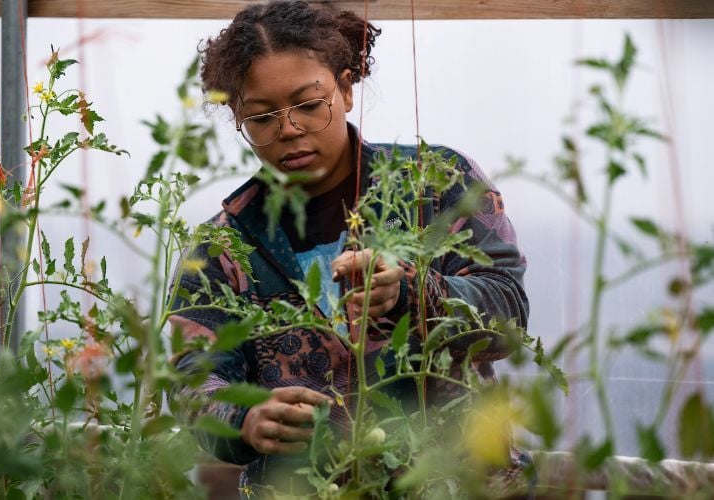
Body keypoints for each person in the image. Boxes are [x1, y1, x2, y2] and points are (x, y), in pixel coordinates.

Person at [168, 0, 530, 496]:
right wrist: (244, 419)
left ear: (345, 89)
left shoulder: (436, 183)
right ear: (238, 117)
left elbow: (508, 317)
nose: (289, 129)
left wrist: (411, 294)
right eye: (262, 118)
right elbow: (194, 382)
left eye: (309, 105)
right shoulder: (220, 248)